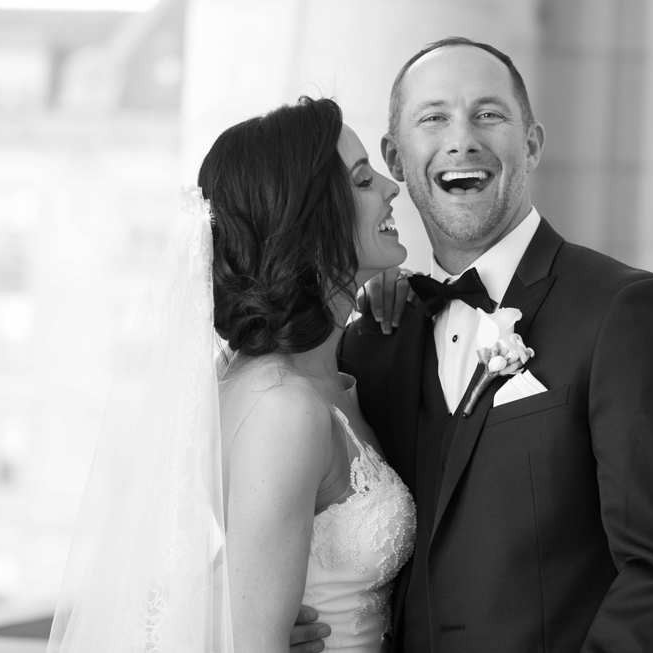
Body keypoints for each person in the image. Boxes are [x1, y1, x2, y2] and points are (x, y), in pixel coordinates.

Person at [296, 37, 653, 652]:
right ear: (395, 155)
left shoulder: (628, 313)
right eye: (433, 117)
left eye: (489, 114)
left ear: (531, 143)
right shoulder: (372, 339)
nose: (462, 139)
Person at [47, 97, 416, 653]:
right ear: (309, 222)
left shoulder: (294, 376)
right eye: (363, 180)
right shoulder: (284, 410)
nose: (392, 187)